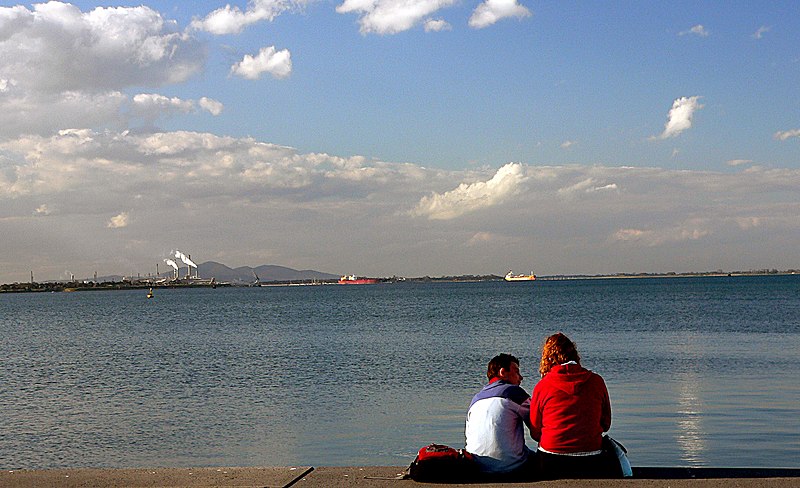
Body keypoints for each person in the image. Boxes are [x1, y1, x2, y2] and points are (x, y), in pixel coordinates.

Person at [529, 332, 620, 479]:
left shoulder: (542, 386)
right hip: (591, 457)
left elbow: (535, 432)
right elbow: (606, 424)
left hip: (551, 459)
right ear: (575, 354)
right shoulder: (596, 381)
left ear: (547, 358)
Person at [465, 353, 534, 476]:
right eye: (516, 372)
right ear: (503, 372)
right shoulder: (514, 392)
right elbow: (538, 427)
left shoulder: (476, 399)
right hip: (510, 467)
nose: (521, 377)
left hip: (477, 466)